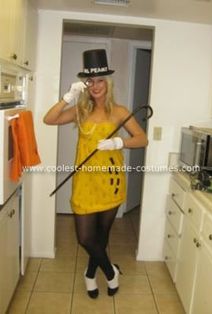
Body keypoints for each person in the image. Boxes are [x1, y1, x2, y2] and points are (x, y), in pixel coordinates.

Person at [43, 49, 148, 299]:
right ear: (86, 85)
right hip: (85, 182)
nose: (96, 86)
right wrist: (67, 97)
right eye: (91, 81)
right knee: (86, 238)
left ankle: (90, 275)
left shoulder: (120, 111)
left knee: (101, 235)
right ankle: (111, 271)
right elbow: (49, 119)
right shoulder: (80, 110)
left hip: (110, 181)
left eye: (101, 80)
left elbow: (142, 139)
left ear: (107, 83)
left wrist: (118, 143)